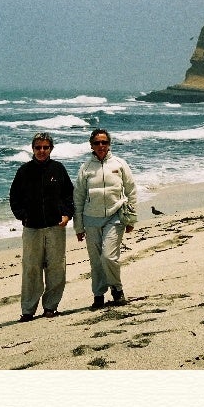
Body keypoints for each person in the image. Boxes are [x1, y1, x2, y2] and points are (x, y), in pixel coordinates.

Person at [9, 132, 75, 322]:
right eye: (38, 147)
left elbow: (69, 195)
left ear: (51, 149)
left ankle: (50, 307)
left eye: (45, 147)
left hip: (56, 227)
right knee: (31, 268)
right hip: (32, 228)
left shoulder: (58, 169)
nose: (42, 151)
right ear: (33, 149)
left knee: (56, 267)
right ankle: (28, 310)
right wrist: (23, 216)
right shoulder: (24, 171)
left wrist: (67, 215)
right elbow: (14, 198)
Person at [73, 128, 137, 309]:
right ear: (91, 145)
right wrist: (78, 227)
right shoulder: (85, 168)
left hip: (115, 216)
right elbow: (78, 198)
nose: (101, 146)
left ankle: (117, 289)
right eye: (97, 143)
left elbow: (131, 191)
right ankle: (98, 295)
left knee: (109, 257)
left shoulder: (119, 164)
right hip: (91, 219)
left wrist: (131, 219)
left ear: (109, 144)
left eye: (104, 142)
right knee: (96, 261)